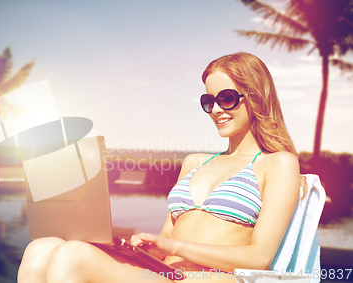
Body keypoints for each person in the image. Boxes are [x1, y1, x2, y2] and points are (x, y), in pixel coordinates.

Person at [17, 52, 304, 283]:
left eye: (226, 98)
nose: (216, 109)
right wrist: (148, 245)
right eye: (209, 101)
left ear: (254, 96)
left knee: (72, 256)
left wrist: (176, 248)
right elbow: (167, 238)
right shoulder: (195, 162)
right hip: (162, 273)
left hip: (207, 279)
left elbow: (260, 258)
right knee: (41, 248)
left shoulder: (278, 163)